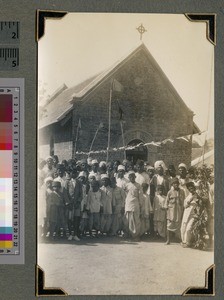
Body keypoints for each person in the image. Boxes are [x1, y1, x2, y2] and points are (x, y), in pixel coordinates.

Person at [164, 178, 185, 245]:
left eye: (177, 183)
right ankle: (168, 240)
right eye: (174, 183)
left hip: (179, 211)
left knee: (179, 225)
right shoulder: (170, 192)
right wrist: (166, 210)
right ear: (172, 184)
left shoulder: (182, 191)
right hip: (171, 211)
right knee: (169, 225)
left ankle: (180, 240)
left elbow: (184, 201)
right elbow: (166, 202)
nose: (176, 184)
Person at [124, 171, 143, 240]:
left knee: (136, 220)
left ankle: (136, 235)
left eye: (133, 177)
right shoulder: (127, 185)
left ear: (135, 177)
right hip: (128, 204)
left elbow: (140, 196)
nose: (132, 178)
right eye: (130, 177)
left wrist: (141, 204)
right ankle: (128, 234)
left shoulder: (138, 185)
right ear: (128, 178)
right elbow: (125, 195)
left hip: (135, 205)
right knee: (128, 220)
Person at [180, 182, 199, 248]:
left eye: (192, 188)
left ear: (194, 188)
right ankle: (184, 241)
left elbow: (199, 204)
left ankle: (188, 242)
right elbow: (185, 205)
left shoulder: (197, 195)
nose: (191, 190)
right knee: (184, 227)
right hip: (186, 213)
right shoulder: (188, 196)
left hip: (193, 214)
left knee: (189, 228)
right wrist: (189, 201)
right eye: (190, 189)